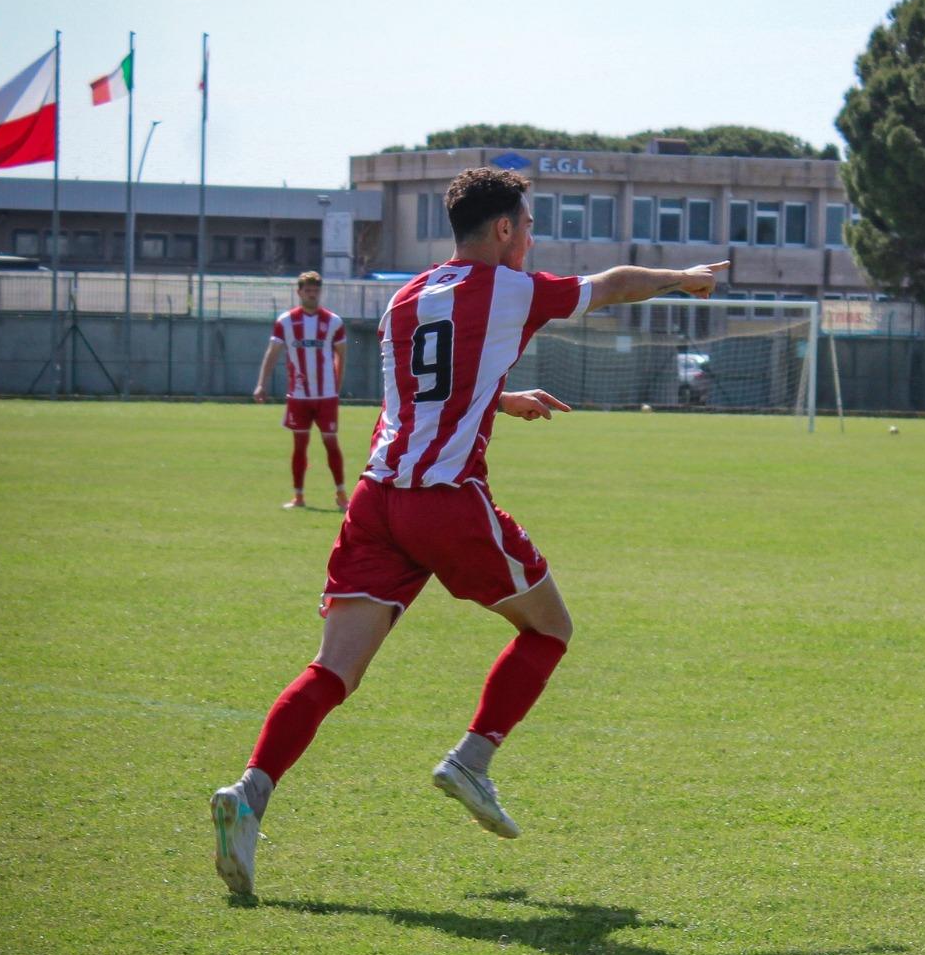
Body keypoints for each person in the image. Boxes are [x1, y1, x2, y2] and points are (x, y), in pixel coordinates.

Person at [211, 166, 728, 898]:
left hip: (376, 501)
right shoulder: (510, 288)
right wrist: (684, 278)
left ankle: (249, 796)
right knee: (549, 629)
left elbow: (422, 392)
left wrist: (498, 396)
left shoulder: (405, 297)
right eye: (529, 224)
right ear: (506, 230)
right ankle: (472, 761)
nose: (533, 238)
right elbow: (610, 285)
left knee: (331, 673)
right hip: (445, 503)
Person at [254, 270, 349, 512]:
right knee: (299, 445)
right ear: (299, 293)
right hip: (298, 395)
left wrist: (336, 386)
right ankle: (298, 496)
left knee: (331, 443)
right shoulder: (286, 321)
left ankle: (341, 494)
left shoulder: (333, 322)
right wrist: (261, 383)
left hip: (326, 395)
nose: (312, 295)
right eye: (308, 291)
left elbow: (341, 356)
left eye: (315, 291)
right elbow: (272, 353)